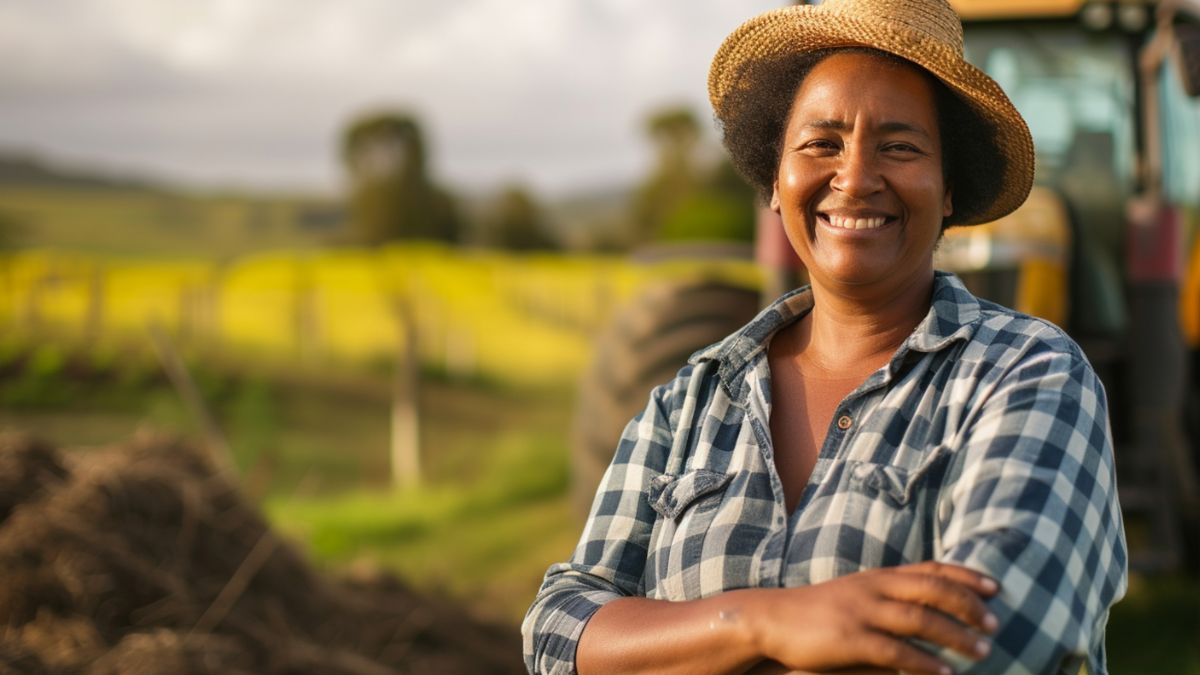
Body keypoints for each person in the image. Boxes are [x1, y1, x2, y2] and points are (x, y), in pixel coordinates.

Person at [523, 0, 1128, 673]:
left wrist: (672, 643)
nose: (857, 177)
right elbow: (558, 629)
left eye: (899, 146)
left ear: (949, 188)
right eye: (821, 143)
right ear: (775, 181)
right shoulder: (688, 402)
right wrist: (762, 620)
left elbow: (989, 642)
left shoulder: (1030, 376)